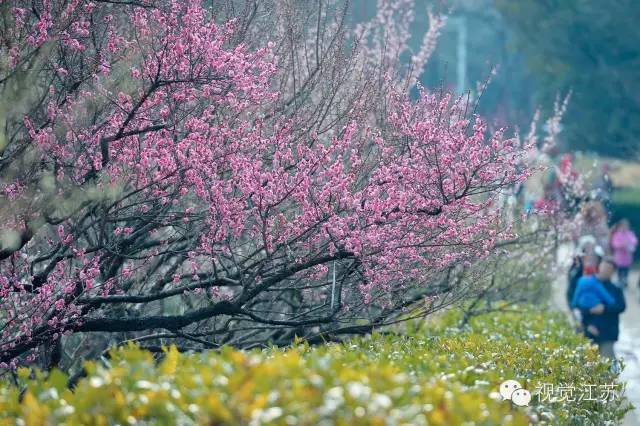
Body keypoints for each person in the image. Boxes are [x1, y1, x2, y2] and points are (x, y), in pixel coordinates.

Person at [573, 257, 626, 359]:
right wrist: (590, 311)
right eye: (604, 267)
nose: (605, 270)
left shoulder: (616, 288)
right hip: (588, 330)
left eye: (609, 269)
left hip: (608, 331)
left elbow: (621, 306)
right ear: (599, 267)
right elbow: (578, 304)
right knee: (589, 362)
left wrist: (604, 308)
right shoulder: (587, 284)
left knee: (608, 363)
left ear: (613, 272)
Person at [610, 219, 637, 288]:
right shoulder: (617, 234)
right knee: (620, 269)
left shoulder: (630, 233)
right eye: (623, 226)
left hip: (627, 256)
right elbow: (614, 243)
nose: (624, 227)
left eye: (626, 226)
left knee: (626, 269)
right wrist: (620, 245)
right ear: (620, 226)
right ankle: (620, 280)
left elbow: (634, 241)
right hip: (619, 256)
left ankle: (625, 281)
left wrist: (630, 244)